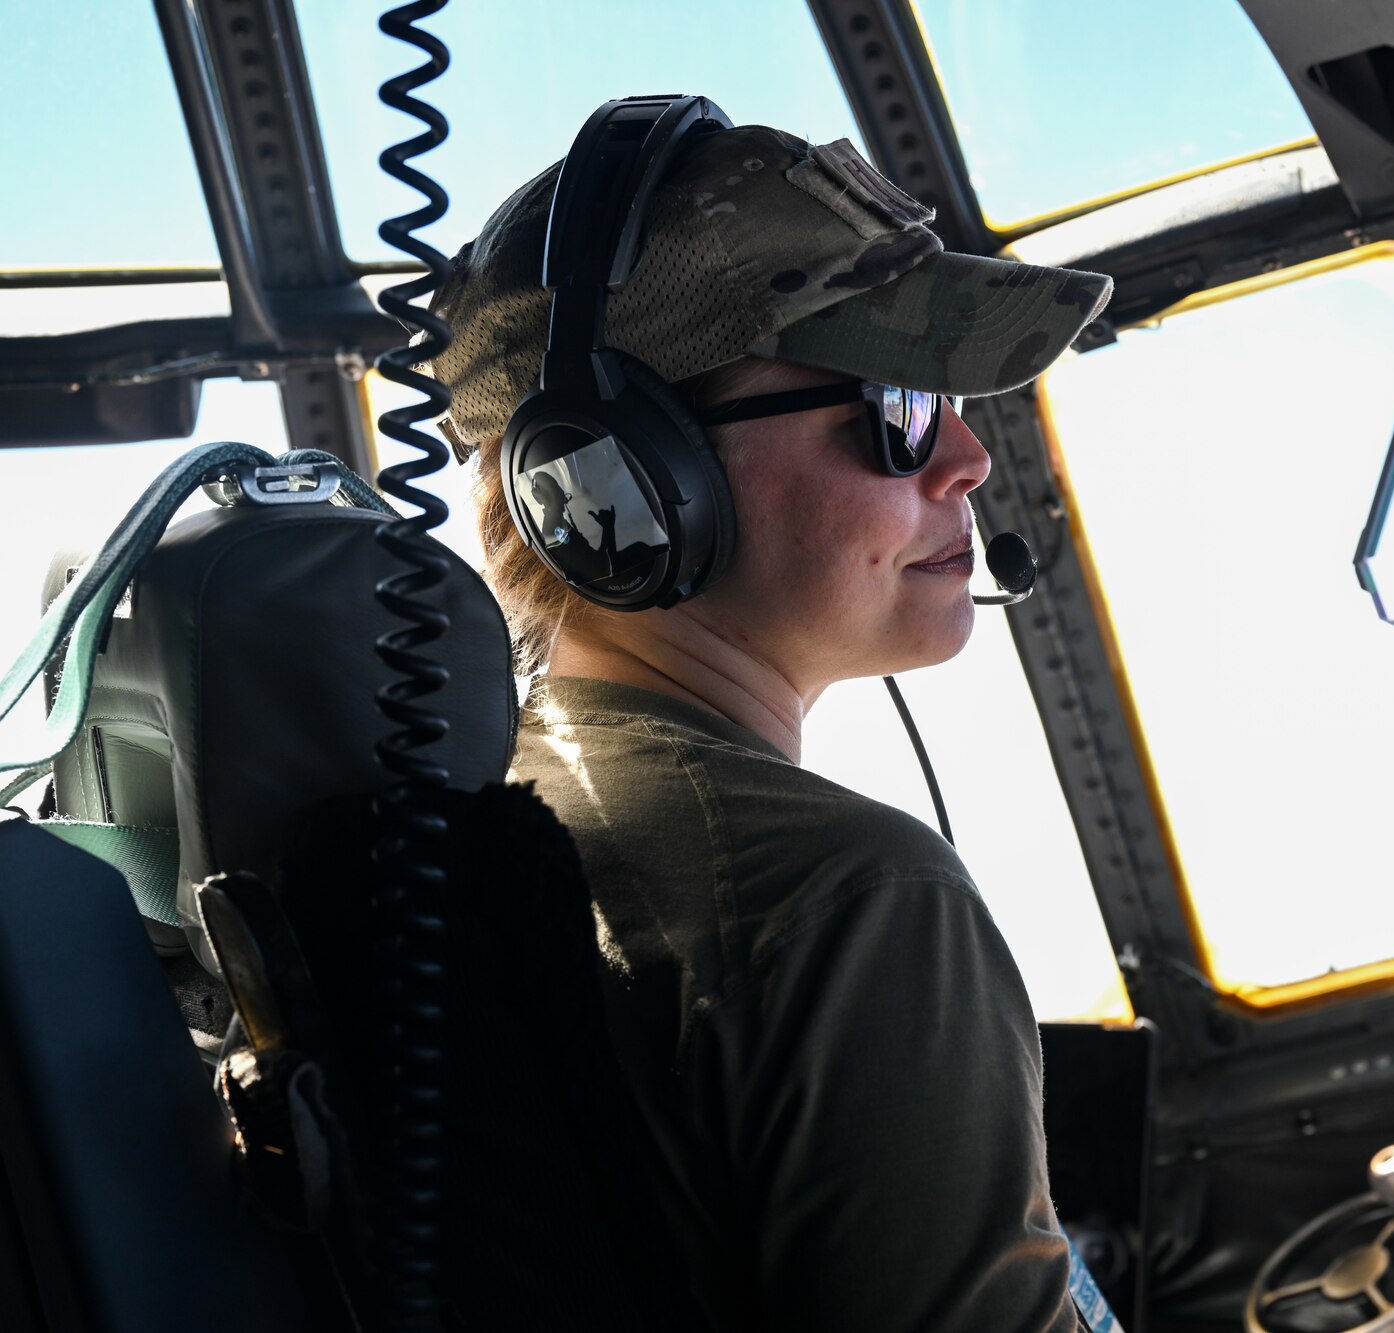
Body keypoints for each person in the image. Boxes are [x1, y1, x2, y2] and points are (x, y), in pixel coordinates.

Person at [428, 112, 1114, 1331]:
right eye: (897, 402)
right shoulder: (844, 897)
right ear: (619, 474)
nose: (964, 459)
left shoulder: (508, 813)